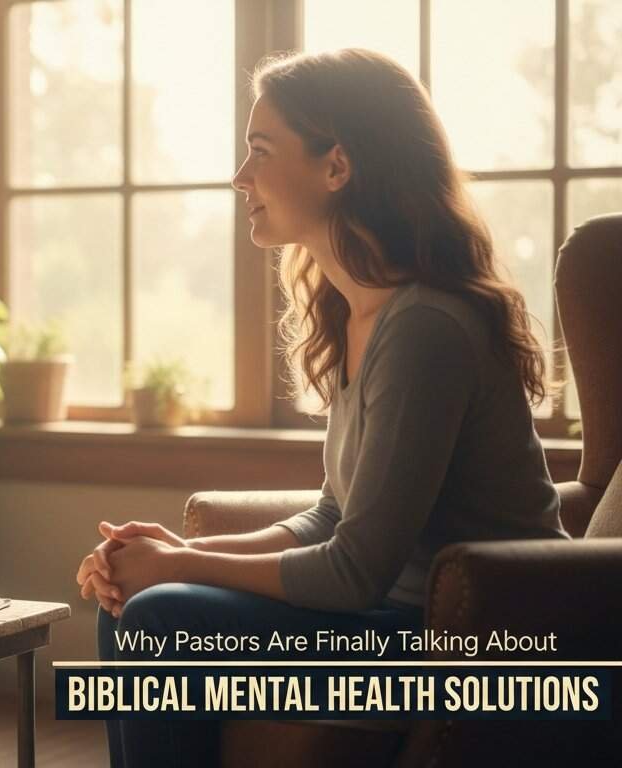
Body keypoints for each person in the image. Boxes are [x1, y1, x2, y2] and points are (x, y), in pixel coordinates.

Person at [76, 48, 568, 767]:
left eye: (260, 151)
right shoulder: (357, 311)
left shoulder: (426, 326)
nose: (240, 177)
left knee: (160, 618)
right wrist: (169, 556)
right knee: (136, 613)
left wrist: (179, 568)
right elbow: (333, 515)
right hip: (392, 621)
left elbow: (351, 570)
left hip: (474, 643)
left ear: (337, 168)